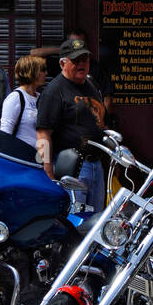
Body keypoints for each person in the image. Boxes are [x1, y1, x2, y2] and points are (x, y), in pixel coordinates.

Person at [36, 36, 107, 211]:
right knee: (75, 218)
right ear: (62, 63)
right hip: (71, 167)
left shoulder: (91, 84)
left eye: (85, 59)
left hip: (96, 165)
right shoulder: (54, 91)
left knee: (95, 220)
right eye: (76, 61)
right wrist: (47, 169)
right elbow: (43, 133)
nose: (82, 64)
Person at [0, 55, 47, 149]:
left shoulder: (40, 97)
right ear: (32, 72)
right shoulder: (16, 98)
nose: (46, 73)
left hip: (39, 158)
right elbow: (5, 132)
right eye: (43, 70)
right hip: (21, 155)